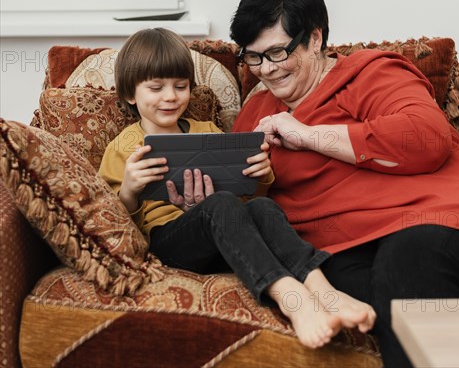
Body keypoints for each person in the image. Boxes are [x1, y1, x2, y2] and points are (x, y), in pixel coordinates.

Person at [230, 0, 459, 367]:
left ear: (314, 38)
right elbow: (249, 209)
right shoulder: (253, 117)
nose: (266, 70)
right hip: (346, 246)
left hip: (456, 219)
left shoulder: (370, 73)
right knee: (345, 287)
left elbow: (426, 138)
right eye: (253, 57)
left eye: (278, 52)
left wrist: (310, 135)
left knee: (406, 264)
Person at [98, 27, 376, 349]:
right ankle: (292, 299)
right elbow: (111, 224)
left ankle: (324, 290)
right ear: (131, 94)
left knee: (262, 207)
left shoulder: (208, 132)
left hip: (224, 240)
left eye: (180, 86)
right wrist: (130, 189)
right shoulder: (124, 147)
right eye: (156, 88)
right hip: (170, 244)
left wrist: (259, 175)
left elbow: (246, 196)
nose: (170, 97)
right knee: (222, 204)